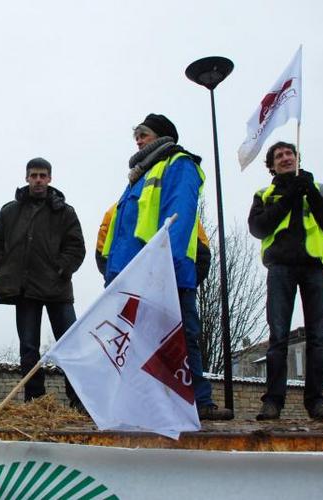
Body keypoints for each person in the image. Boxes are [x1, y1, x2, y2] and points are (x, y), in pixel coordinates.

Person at [101, 113, 232, 420]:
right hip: (134, 274)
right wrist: (114, 274)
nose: (138, 139)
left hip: (164, 270)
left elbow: (180, 214)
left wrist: (164, 263)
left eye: (144, 134)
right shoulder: (137, 177)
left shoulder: (179, 163)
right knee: (139, 343)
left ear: (162, 136)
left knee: (181, 337)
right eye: (137, 135)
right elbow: (122, 233)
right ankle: (147, 405)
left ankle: (199, 402)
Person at [248, 141, 323, 420]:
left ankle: (316, 401)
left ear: (297, 157)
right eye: (279, 156)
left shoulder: (320, 189)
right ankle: (273, 402)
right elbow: (258, 227)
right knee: (278, 336)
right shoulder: (264, 194)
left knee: (318, 338)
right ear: (272, 165)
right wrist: (290, 195)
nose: (285, 158)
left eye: (290, 153)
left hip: (315, 268)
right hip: (280, 268)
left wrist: (310, 191)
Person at [0, 158, 85, 406]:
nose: (38, 180)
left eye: (43, 175)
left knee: (70, 346)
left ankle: (78, 401)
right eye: (34, 175)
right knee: (29, 349)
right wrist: (2, 267)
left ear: (50, 178)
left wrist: (61, 269)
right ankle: (35, 402)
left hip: (58, 290)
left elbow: (76, 247)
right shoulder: (10, 211)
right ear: (27, 177)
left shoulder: (65, 212)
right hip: (25, 290)